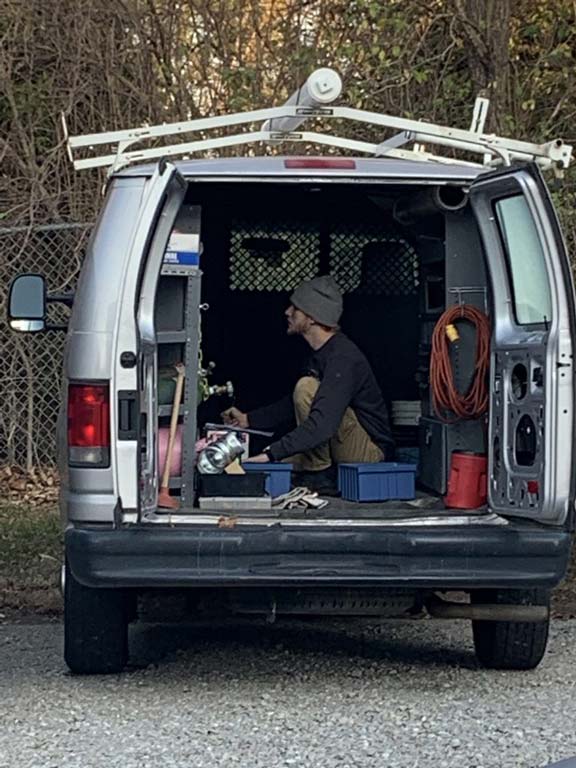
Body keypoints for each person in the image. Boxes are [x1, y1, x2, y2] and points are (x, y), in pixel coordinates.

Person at [221, 275, 394, 490]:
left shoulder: (343, 358)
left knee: (306, 388)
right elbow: (295, 403)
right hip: (338, 443)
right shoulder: (319, 354)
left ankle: (319, 472)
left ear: (312, 317)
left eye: (295, 308)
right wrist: (249, 420)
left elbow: (322, 424)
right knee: (276, 467)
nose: (287, 312)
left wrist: (270, 453)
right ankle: (317, 468)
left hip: (369, 453)